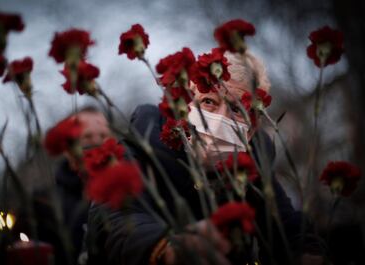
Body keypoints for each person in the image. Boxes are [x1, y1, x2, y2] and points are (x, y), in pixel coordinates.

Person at [85, 51, 325, 265]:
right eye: (209, 101)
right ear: (186, 105)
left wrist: (305, 252)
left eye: (236, 109)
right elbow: (111, 217)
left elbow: (286, 225)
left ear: (252, 127)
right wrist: (165, 249)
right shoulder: (142, 147)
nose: (221, 118)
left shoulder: (254, 167)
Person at [54, 106, 111, 263]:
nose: (97, 142)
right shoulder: (48, 203)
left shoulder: (127, 191)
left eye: (103, 135)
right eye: (87, 137)